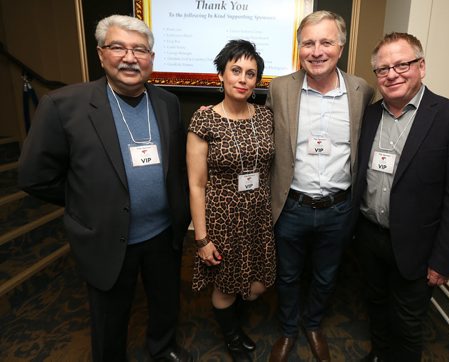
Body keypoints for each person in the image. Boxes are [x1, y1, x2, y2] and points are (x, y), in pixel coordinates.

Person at [17, 14, 192, 362]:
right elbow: (34, 176)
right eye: (118, 47)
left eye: (140, 50)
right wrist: (85, 201)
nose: (130, 57)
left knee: (165, 299)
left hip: (162, 233)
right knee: (109, 314)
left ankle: (162, 347)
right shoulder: (64, 105)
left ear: (152, 59)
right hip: (107, 234)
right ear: (100, 54)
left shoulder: (167, 103)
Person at [353, 32, 449, 362]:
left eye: (402, 64)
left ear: (421, 67)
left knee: (408, 324)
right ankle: (379, 354)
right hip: (369, 236)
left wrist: (444, 259)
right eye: (383, 69)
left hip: (418, 247)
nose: (392, 74)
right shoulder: (368, 116)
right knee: (376, 307)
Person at [266, 11, 374, 362]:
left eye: (326, 42)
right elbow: (265, 138)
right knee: (287, 275)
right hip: (291, 205)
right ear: (299, 49)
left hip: (339, 208)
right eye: (308, 43)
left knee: (327, 276)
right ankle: (286, 330)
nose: (316, 51)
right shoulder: (280, 88)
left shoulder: (362, 91)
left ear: (340, 47)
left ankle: (312, 324)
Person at [187, 39, 275, 361]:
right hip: (222, 217)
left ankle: (236, 327)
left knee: (256, 283)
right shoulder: (205, 120)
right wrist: (201, 238)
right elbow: (196, 184)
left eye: (250, 74)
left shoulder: (265, 117)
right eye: (235, 70)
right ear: (221, 76)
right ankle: (232, 337)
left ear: (256, 82)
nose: (242, 78)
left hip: (258, 216)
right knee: (225, 285)